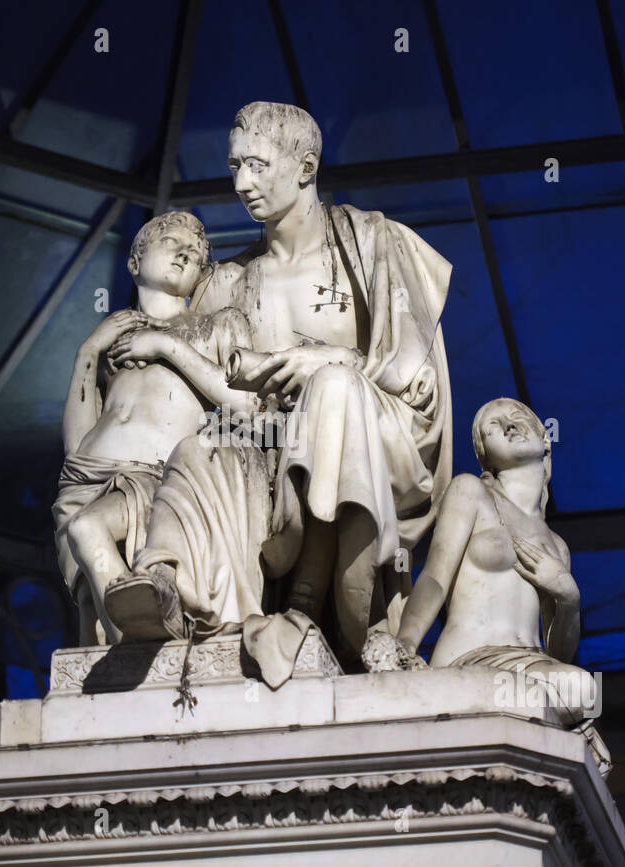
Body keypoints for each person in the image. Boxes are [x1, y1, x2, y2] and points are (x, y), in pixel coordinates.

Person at [104, 102, 454, 684]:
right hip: (266, 449)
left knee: (334, 391)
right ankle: (162, 582)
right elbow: (203, 401)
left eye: (258, 165)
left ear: (306, 166)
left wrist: (330, 360)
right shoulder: (227, 284)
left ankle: (307, 605)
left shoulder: (372, 242)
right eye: (235, 166)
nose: (242, 183)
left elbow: (415, 380)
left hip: (374, 435)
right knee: (200, 446)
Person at [53, 211, 252, 645]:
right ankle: (135, 657)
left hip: (155, 479)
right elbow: (75, 453)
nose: (186, 252)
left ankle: (146, 641)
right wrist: (88, 353)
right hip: (89, 480)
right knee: (92, 630)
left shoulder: (218, 325)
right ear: (134, 261)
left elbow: (246, 401)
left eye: (196, 253)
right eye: (172, 243)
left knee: (89, 530)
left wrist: (166, 345)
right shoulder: (110, 342)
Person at [365, 398, 596, 725]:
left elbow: (559, 654)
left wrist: (568, 598)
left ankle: (483, 706)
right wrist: (405, 646)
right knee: (580, 688)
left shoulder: (557, 546)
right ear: (484, 454)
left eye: (517, 417)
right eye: (493, 427)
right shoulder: (470, 492)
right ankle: (453, 693)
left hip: (531, 667)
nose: (509, 426)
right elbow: (434, 578)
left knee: (587, 691)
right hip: (472, 658)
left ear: (545, 438)